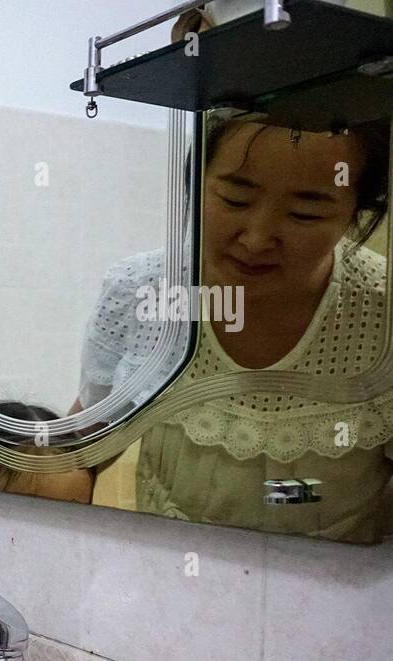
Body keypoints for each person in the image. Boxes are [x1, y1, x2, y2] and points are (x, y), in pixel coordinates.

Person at [76, 115, 392, 541]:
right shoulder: (142, 290)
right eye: (234, 199)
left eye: (304, 213)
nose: (257, 239)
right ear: (197, 183)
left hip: (338, 591)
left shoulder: (381, 313)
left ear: (356, 212)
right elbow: (87, 441)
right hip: (171, 578)